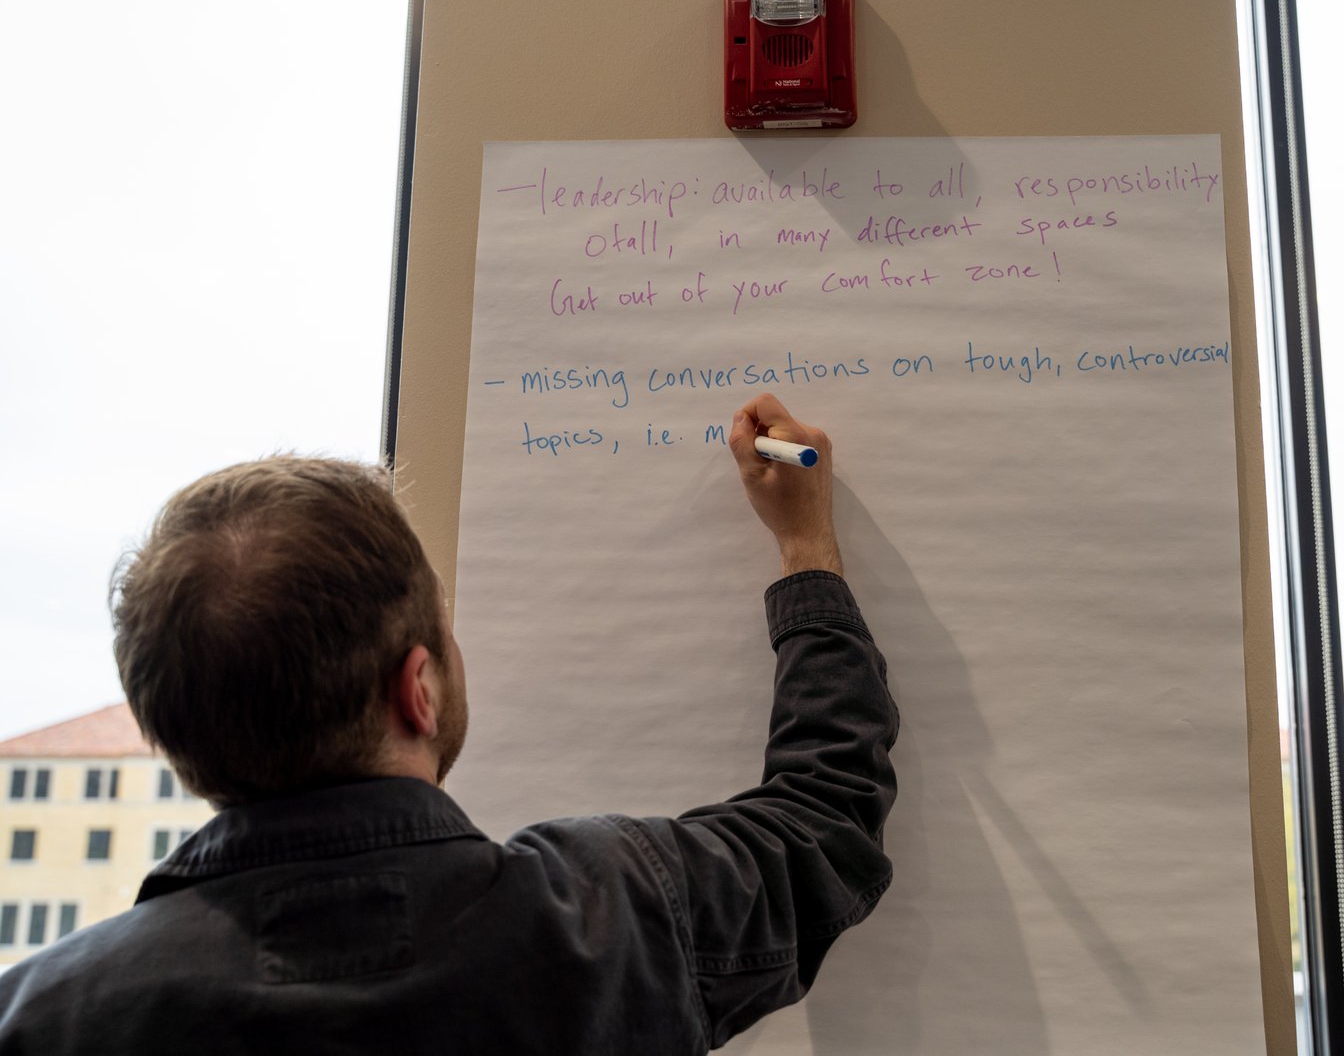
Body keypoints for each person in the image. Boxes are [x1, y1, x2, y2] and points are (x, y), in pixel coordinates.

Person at [0, 394, 897, 1054]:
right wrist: (806, 554)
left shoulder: (39, 1016)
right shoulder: (605, 921)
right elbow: (825, 820)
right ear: (418, 689)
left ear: (172, 735)